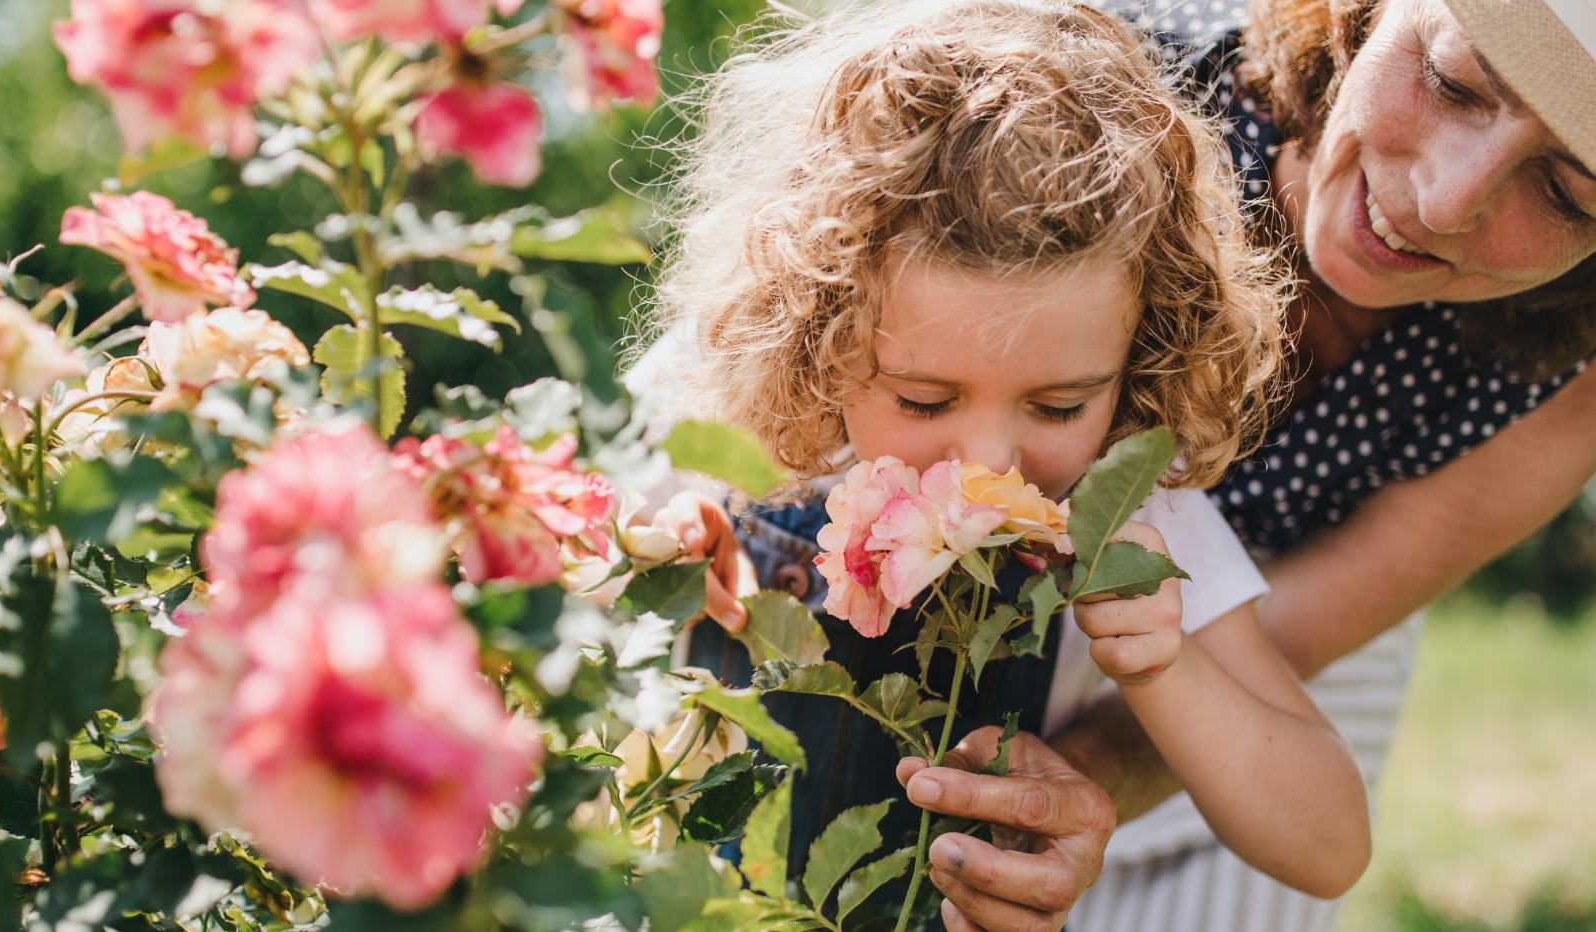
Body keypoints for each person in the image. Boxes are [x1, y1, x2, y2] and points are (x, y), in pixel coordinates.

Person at [627, 0, 1373, 918]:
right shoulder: (734, 431)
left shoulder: (1129, 511)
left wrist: (1162, 667)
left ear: (1142, 353)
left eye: (1061, 405)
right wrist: (647, 566)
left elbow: (1331, 844)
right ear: (821, 331)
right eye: (924, 401)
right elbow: (529, 620)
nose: (986, 466)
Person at [891, 0, 1596, 928]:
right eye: (1450, 82)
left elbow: (1287, 669)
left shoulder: (1559, 385)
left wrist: (1068, 792)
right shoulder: (1105, 95)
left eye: (1568, 194)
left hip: (1270, 634)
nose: (1444, 200)